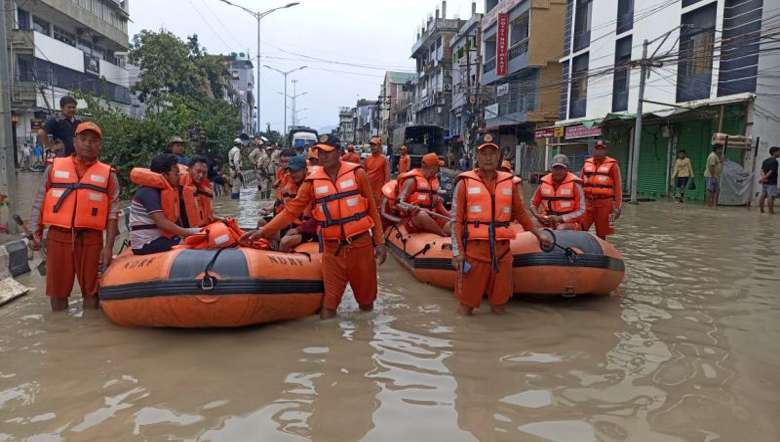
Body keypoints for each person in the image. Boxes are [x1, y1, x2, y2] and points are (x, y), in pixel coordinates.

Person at [243, 134, 387, 319]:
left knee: (366, 305)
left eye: (327, 152)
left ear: (339, 152)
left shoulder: (357, 174)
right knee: (328, 309)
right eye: (319, 152)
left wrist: (380, 242)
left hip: (360, 246)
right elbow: (291, 211)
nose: (322, 156)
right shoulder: (312, 182)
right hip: (332, 250)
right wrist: (264, 231)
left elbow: (372, 211)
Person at [451, 134, 549, 316]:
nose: (488, 157)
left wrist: (538, 234)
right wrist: (457, 253)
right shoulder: (464, 183)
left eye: (492, 153)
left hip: (502, 252)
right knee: (466, 306)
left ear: (499, 157)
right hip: (474, 252)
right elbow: (455, 221)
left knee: (499, 306)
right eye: (484, 153)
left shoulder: (508, 183)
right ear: (477, 157)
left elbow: (520, 214)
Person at [29, 122, 120, 312]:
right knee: (58, 292)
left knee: (92, 292)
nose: (88, 144)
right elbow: (39, 201)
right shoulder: (53, 168)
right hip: (58, 237)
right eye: (83, 139)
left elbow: (113, 214)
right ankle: (59, 334)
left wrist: (109, 247)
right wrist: (34, 232)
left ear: (100, 145)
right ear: (75, 142)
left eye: (94, 141)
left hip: (91, 239)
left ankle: (89, 334)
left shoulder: (109, 175)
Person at [129, 154, 199, 255]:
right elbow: (161, 222)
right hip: (146, 244)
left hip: (158, 239)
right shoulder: (148, 192)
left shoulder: (163, 191)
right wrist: (190, 232)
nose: (179, 176)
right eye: (176, 174)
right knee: (193, 243)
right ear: (165, 175)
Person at [395, 153, 452, 236]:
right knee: (421, 214)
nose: (439, 169)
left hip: (432, 218)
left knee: (453, 224)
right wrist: (408, 209)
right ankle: (442, 235)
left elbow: (439, 206)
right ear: (432, 168)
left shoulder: (434, 181)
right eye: (438, 167)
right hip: (413, 219)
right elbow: (398, 202)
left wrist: (452, 218)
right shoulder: (412, 180)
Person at [530, 154, 585, 231]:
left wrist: (561, 218)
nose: (558, 171)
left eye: (561, 168)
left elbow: (582, 211)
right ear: (551, 169)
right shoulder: (543, 184)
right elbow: (533, 204)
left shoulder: (575, 185)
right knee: (531, 223)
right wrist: (537, 215)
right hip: (548, 219)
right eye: (555, 168)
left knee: (561, 228)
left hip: (569, 221)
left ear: (567, 170)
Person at [580, 141, 622, 239]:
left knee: (602, 233)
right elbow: (580, 183)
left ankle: (603, 251)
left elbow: (618, 187)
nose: (599, 152)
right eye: (597, 149)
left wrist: (617, 207)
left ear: (606, 150)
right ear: (593, 150)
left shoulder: (613, 165)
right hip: (587, 203)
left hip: (605, 204)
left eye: (601, 149)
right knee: (580, 228)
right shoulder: (587, 163)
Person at [276, 155, 318, 252]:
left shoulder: (313, 187)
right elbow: (286, 211)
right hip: (296, 225)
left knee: (285, 241)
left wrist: (298, 229)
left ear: (305, 170)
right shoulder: (289, 187)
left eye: (296, 171)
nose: (293, 174)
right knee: (269, 232)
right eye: (291, 171)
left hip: (310, 230)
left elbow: (318, 219)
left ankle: (283, 264)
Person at [178, 155, 214, 228]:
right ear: (189, 169)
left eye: (204, 173)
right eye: (198, 171)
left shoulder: (203, 189)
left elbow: (207, 215)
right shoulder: (178, 185)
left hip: (197, 229)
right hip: (184, 231)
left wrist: (223, 220)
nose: (201, 175)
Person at [365, 136, 391, 206]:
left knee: (378, 209)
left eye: (375, 145)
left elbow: (387, 176)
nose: (372, 147)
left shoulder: (384, 159)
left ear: (379, 146)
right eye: (371, 145)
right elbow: (365, 174)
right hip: (369, 189)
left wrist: (385, 191)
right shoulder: (367, 159)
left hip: (379, 191)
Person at [759, 146, 780, 214]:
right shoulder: (775, 161)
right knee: (771, 196)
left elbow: (761, 170)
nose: (779, 153)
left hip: (765, 182)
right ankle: (771, 212)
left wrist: (763, 178)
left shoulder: (765, 160)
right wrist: (764, 178)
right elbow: (771, 171)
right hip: (771, 182)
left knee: (763, 195)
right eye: (779, 152)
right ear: (774, 152)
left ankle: (762, 210)